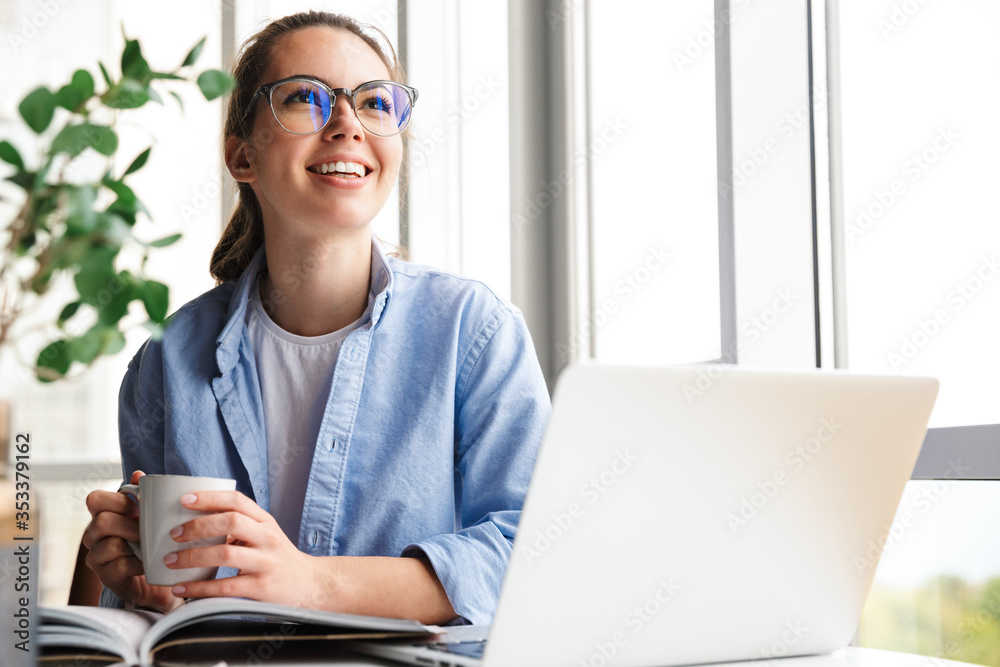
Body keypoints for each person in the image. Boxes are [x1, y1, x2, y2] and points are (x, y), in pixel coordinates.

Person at [81, 11, 549, 626]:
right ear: (241, 156)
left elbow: (532, 553)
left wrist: (310, 582)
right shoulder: (166, 362)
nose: (348, 125)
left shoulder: (474, 332)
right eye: (306, 98)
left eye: (375, 103)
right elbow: (137, 608)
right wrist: (137, 584)